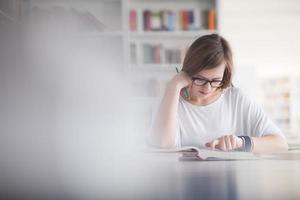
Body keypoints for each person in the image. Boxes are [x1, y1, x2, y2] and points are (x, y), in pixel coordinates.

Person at [151, 34, 288, 154]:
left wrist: (240, 142)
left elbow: (280, 144)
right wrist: (173, 86)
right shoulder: (172, 100)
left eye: (216, 81)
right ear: (188, 71)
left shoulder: (236, 99)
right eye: (200, 79)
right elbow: (163, 145)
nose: (207, 88)